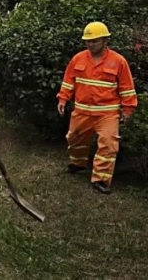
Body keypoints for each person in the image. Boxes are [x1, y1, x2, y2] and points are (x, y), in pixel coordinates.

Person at [57, 21, 138, 195]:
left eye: (94, 41)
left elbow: (127, 88)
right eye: (88, 41)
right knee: (74, 138)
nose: (90, 44)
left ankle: (101, 179)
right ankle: (78, 164)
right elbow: (68, 82)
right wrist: (63, 99)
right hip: (82, 111)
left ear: (104, 40)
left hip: (107, 113)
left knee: (108, 145)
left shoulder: (118, 61)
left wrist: (128, 109)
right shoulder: (78, 59)